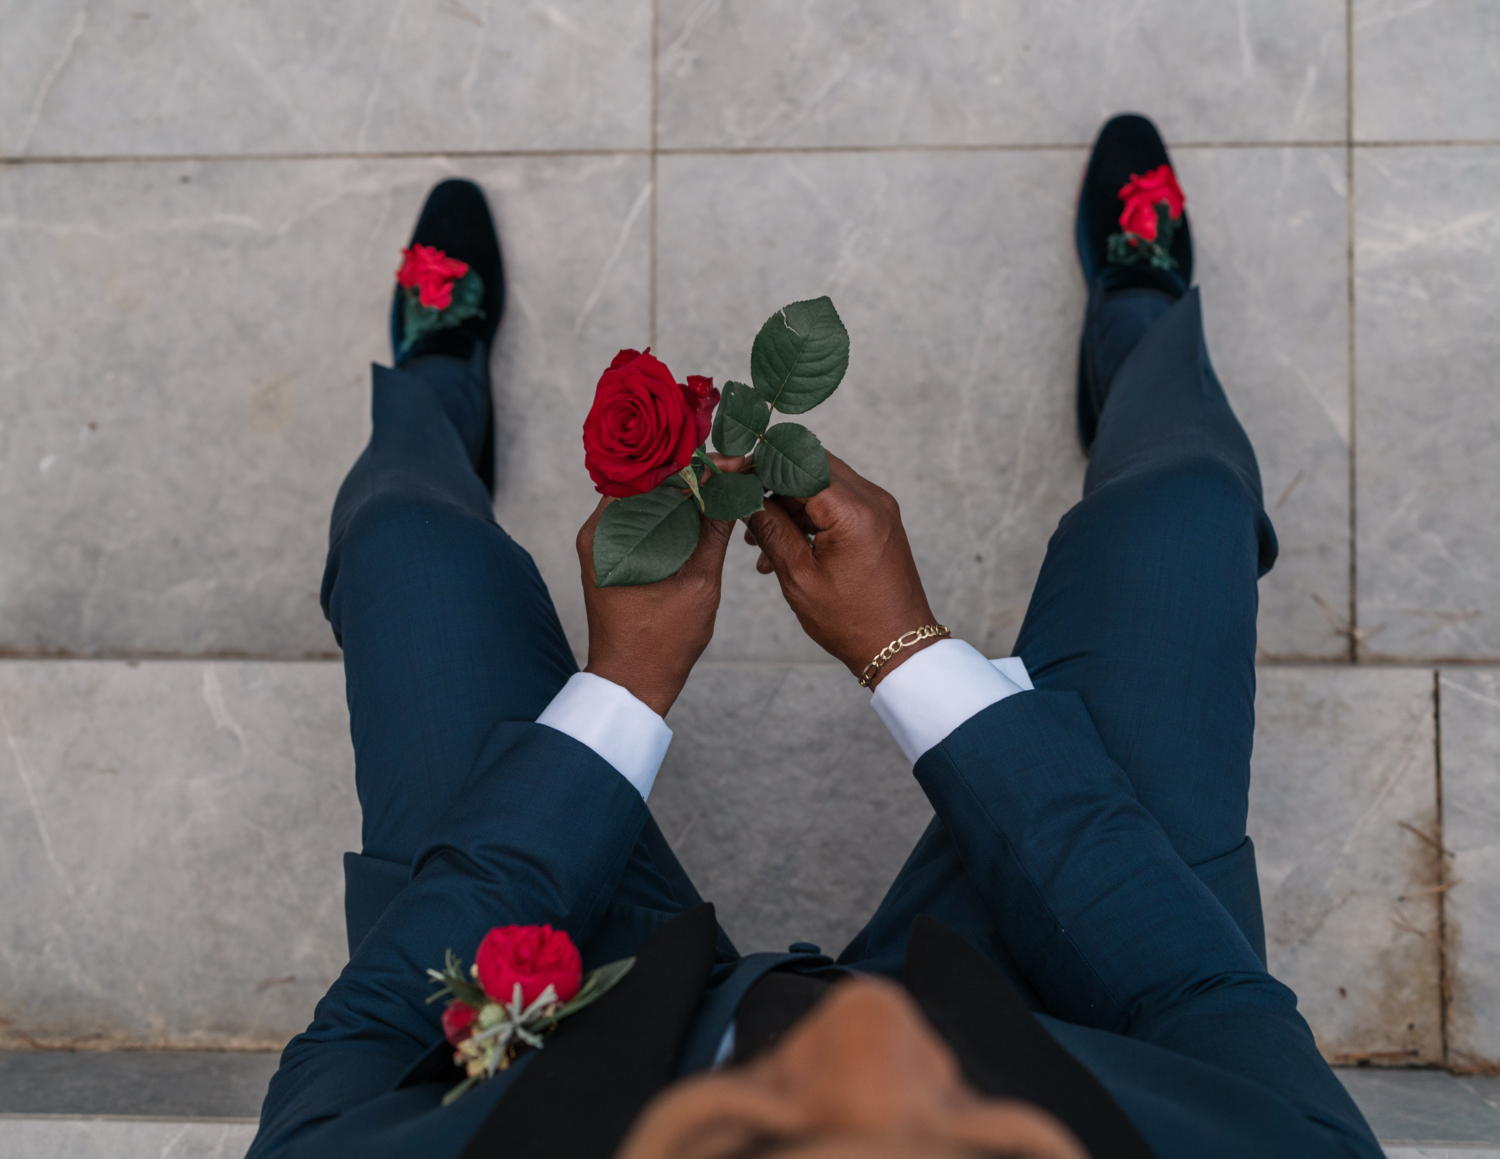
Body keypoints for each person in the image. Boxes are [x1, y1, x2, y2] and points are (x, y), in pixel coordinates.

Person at [246, 115, 1383, 1159]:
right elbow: (1212, 1013)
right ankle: (1141, 331)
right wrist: (908, 651)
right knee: (1179, 506)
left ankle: (434, 400)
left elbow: (341, 1088)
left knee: (411, 546)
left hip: (570, 1047)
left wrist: (625, 692)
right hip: (1073, 1020)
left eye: (770, 1109)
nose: (854, 1034)